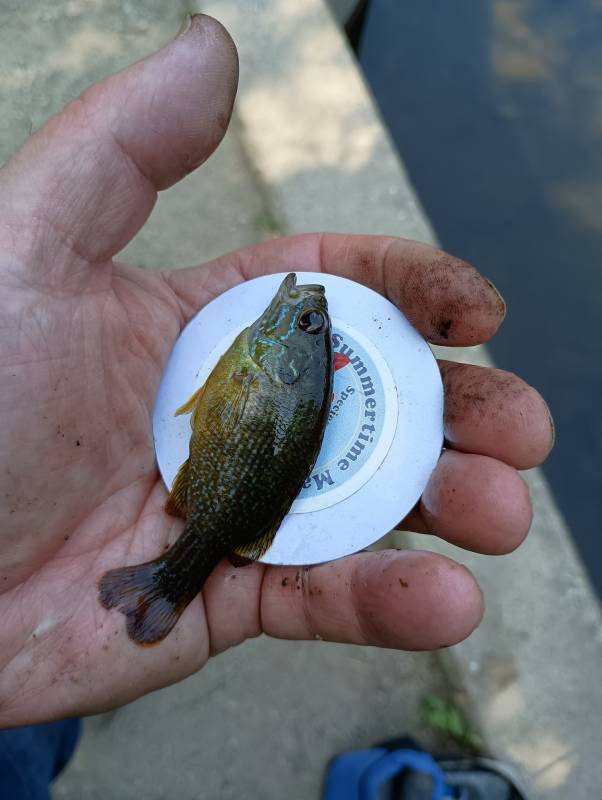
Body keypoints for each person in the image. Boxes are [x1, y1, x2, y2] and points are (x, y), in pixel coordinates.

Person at [0, 13, 553, 795]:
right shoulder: (266, 359)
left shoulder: (263, 360)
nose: (304, 310)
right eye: (307, 323)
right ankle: (143, 611)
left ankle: (160, 590)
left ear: (289, 357)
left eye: (306, 326)